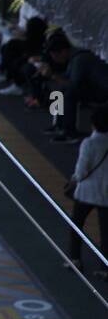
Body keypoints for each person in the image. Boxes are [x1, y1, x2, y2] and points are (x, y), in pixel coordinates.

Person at [37, 32, 108, 143]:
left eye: (56, 55)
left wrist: (52, 75)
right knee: (61, 89)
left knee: (69, 92)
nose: (55, 59)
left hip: (103, 92)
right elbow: (68, 79)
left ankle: (69, 132)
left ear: (64, 51)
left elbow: (73, 85)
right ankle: (59, 125)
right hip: (95, 88)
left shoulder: (79, 60)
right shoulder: (75, 56)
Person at [66, 106, 108, 276]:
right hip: (106, 194)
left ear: (93, 124)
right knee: (106, 232)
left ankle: (75, 259)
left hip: (86, 193)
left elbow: (82, 170)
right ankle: (104, 267)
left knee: (77, 225)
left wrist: (74, 179)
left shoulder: (89, 143)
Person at [0, 14, 47, 96]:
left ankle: (15, 82)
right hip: (33, 40)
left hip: (36, 45)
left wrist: (24, 34)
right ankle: (2, 72)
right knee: (9, 46)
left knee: (18, 59)